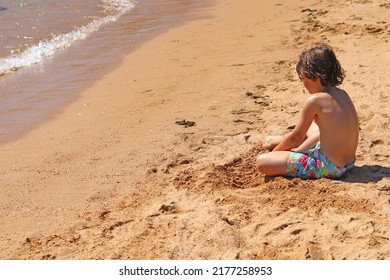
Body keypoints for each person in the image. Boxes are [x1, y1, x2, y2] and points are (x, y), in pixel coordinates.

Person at [256, 43, 359, 179]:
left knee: (262, 162)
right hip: (349, 162)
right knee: (315, 125)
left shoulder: (315, 101)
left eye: (303, 79)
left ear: (315, 76)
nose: (303, 84)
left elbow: (295, 138)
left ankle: (278, 144)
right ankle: (281, 141)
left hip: (330, 168)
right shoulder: (342, 94)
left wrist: (275, 153)